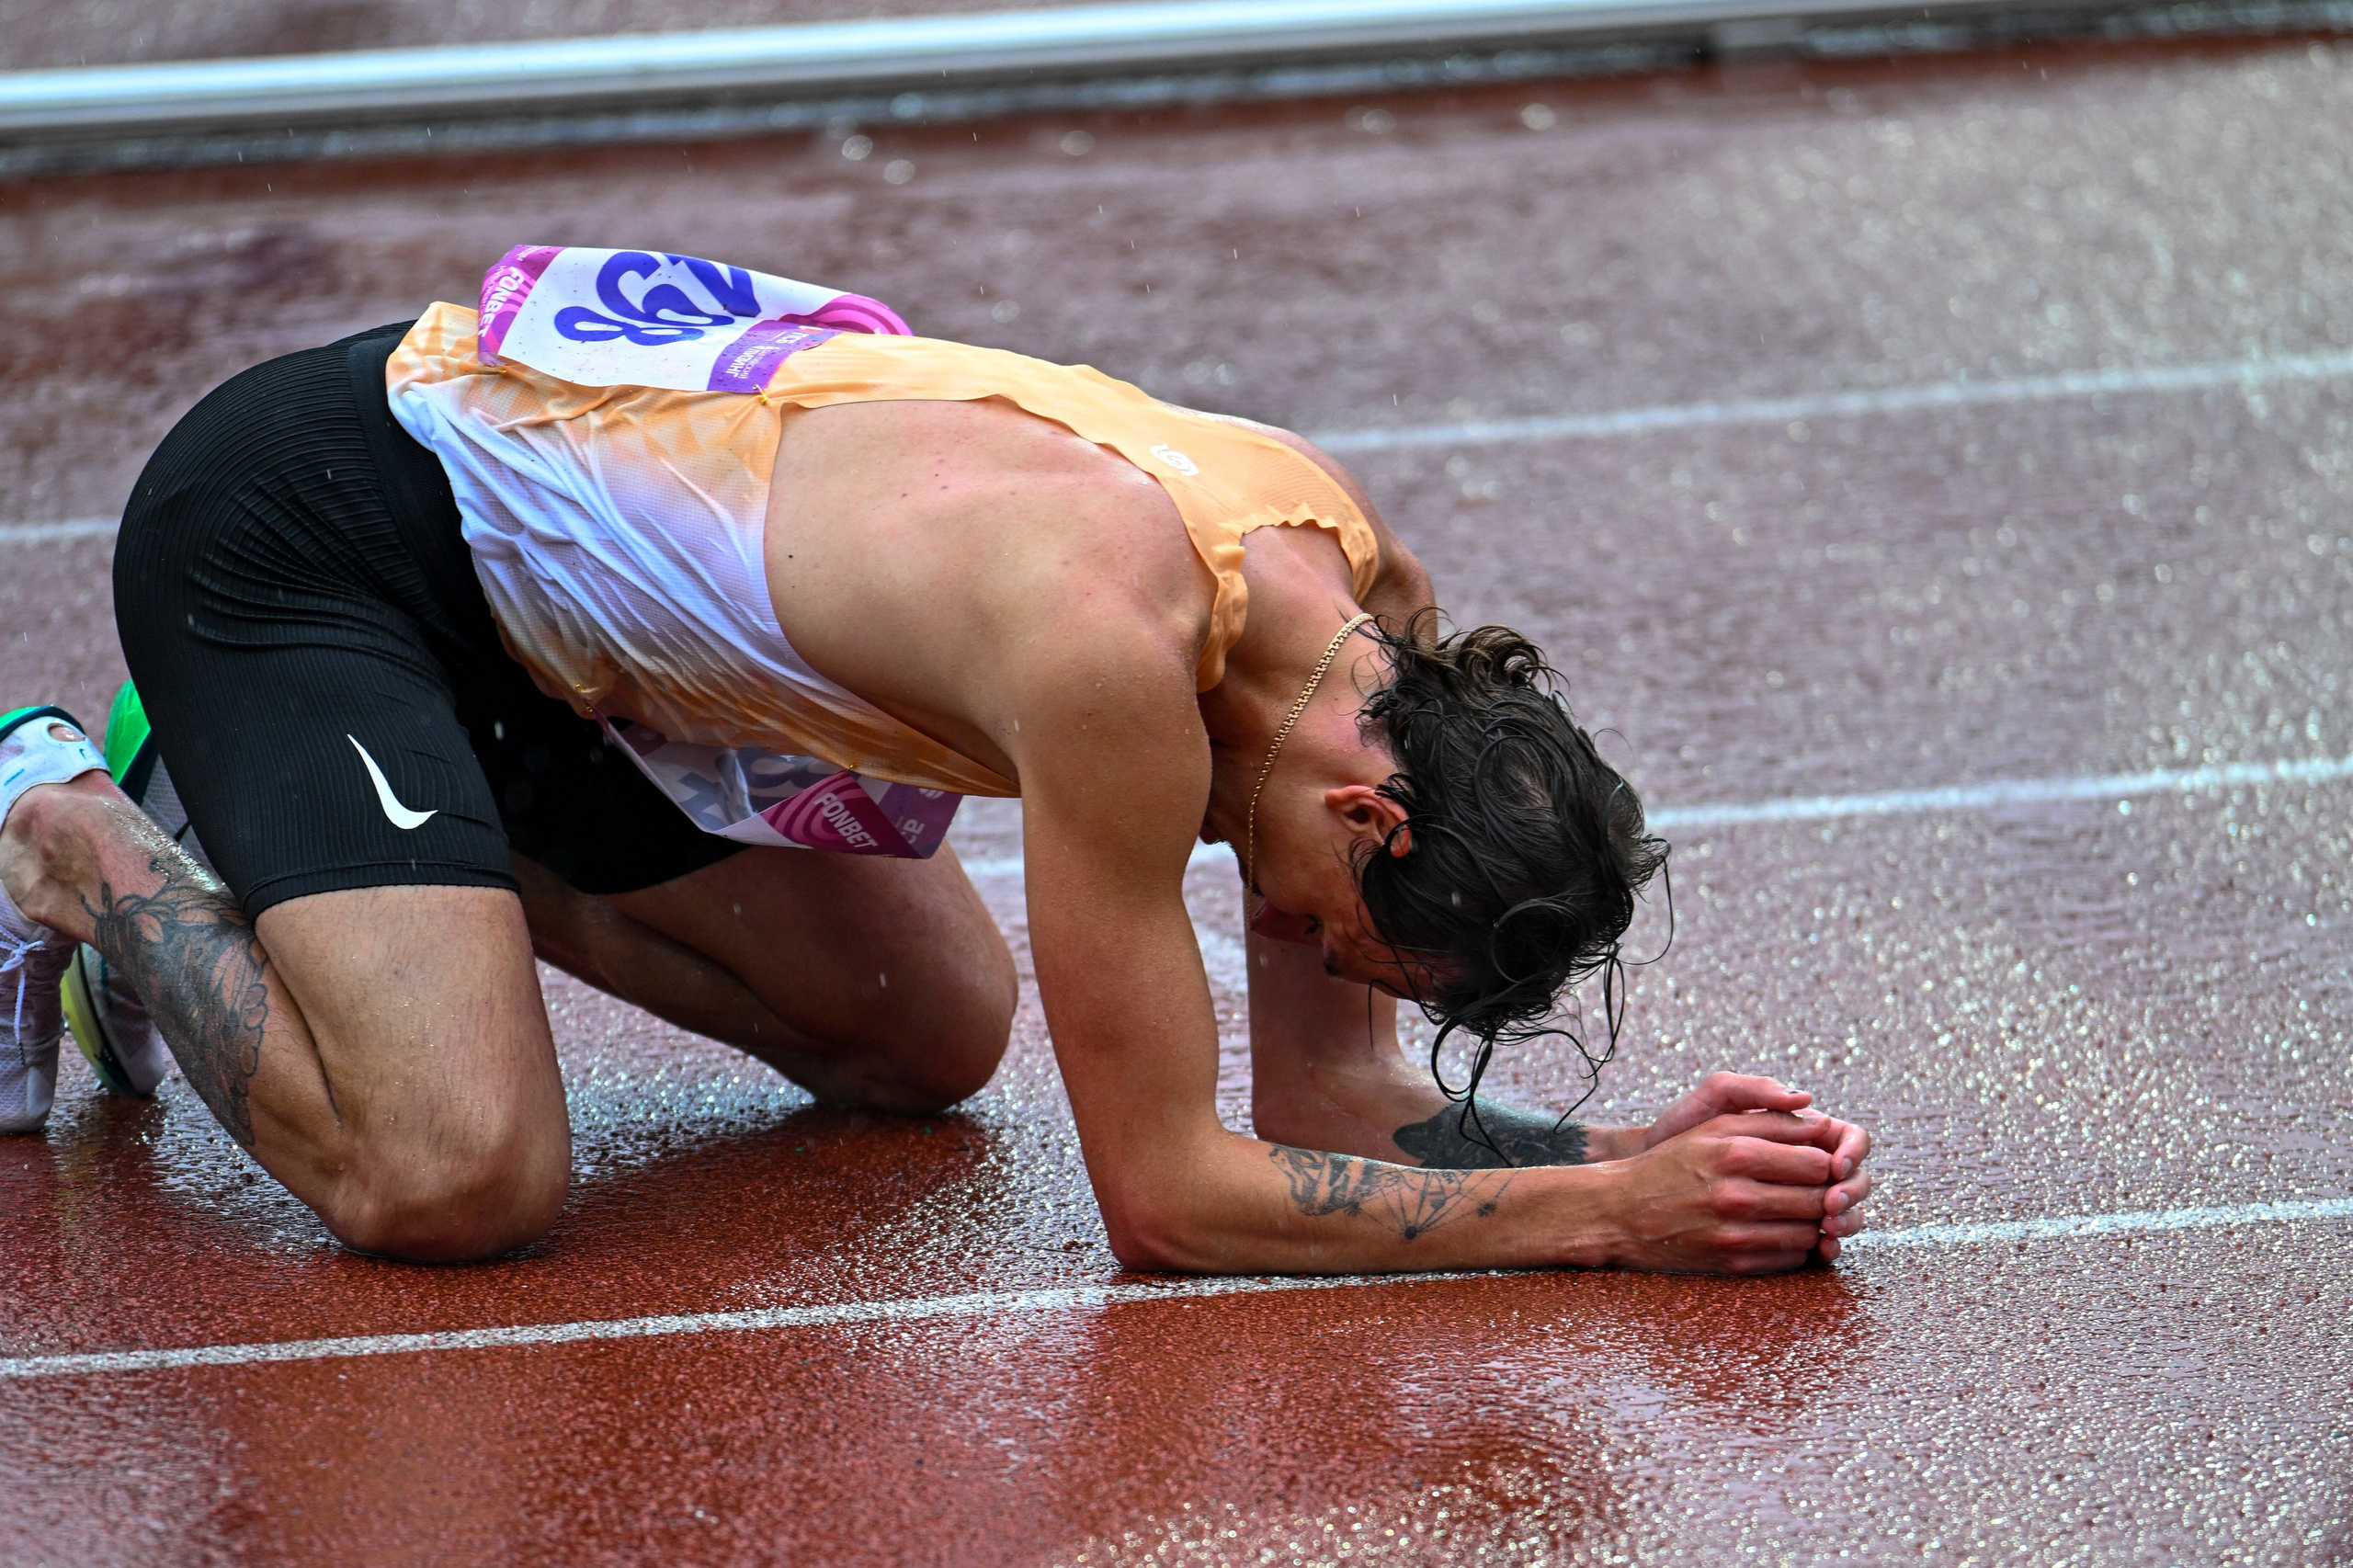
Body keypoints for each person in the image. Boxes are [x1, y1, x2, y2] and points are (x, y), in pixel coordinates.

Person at [0, 247, 1870, 1271]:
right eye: (1323, 928)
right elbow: (1164, 1198)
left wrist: (1631, 1150)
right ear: (1370, 814)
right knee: (454, 1177)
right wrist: (1596, 1223)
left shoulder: (1363, 620)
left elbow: (1319, 1117)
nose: (1285, 946)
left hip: (560, 663)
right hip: (317, 527)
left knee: (925, 1042)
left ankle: (301, 813)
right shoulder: (1111, 653)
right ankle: (72, 820)